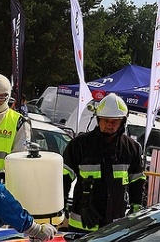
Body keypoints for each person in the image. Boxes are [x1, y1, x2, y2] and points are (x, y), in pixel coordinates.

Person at [62, 93, 145, 231]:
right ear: (98, 119)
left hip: (114, 226)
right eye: (105, 121)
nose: (109, 125)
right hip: (82, 224)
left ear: (122, 122)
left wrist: (136, 206)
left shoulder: (131, 148)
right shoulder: (79, 145)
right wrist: (61, 206)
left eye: (114, 122)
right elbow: (63, 178)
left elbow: (137, 181)